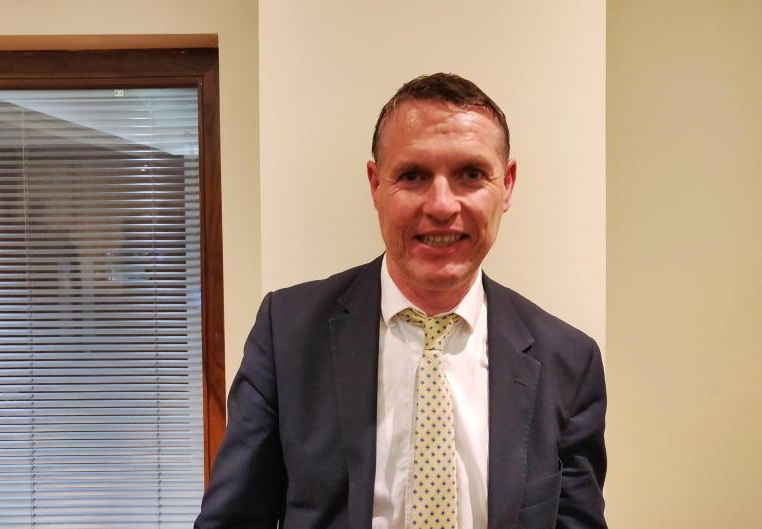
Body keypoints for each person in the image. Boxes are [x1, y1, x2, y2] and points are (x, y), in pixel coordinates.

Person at [195, 73, 607, 529]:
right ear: (376, 184)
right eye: (413, 175)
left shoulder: (569, 361)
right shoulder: (287, 334)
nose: (442, 205)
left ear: (506, 185)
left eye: (471, 174)